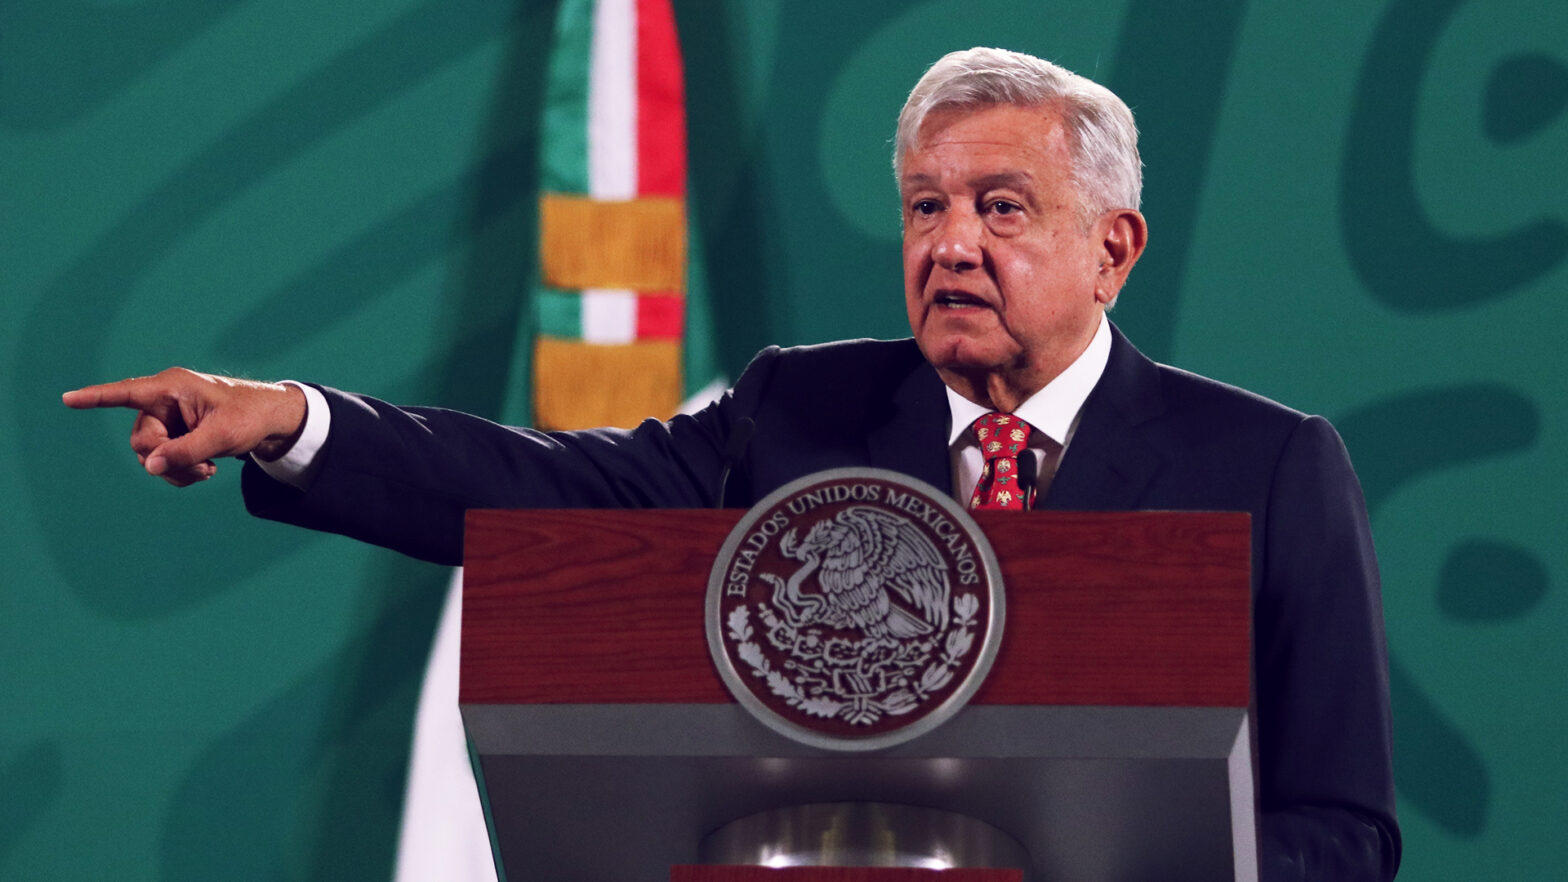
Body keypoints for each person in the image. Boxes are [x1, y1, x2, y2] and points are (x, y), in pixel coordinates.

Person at [64, 47, 1399, 880]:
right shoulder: (793, 413)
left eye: (1002, 208)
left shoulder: (1270, 466)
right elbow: (547, 495)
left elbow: (1342, 832)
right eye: (924, 207)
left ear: (1115, 247)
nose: (951, 244)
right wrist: (290, 418)